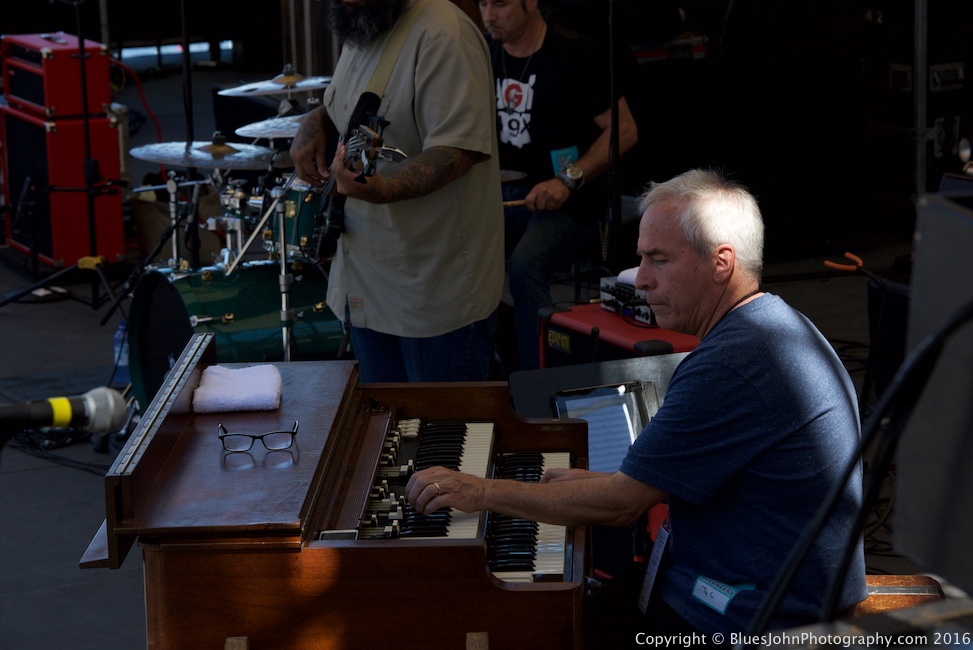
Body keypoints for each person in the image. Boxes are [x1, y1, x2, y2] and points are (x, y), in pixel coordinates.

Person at [406, 169, 868, 638]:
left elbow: (621, 506)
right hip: (745, 589)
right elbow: (704, 475)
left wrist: (481, 492)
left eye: (659, 260)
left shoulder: (732, 363)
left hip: (747, 621)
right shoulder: (771, 325)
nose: (641, 280)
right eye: (641, 259)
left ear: (721, 263)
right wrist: (605, 483)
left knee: (523, 629)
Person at [289, 0, 504, 382]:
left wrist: (385, 190)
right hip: (367, 283)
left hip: (430, 294)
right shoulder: (364, 24)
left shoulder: (444, 34)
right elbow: (352, 106)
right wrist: (315, 122)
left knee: (439, 437)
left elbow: (458, 148)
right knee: (385, 436)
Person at [478, 0, 639, 371]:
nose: (488, 16)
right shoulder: (482, 53)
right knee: (454, 259)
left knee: (524, 267)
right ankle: (486, 372)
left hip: (570, 199)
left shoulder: (574, 53)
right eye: (483, 3)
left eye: (500, 4)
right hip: (502, 195)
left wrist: (568, 180)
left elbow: (625, 131)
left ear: (530, 2)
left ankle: (537, 384)